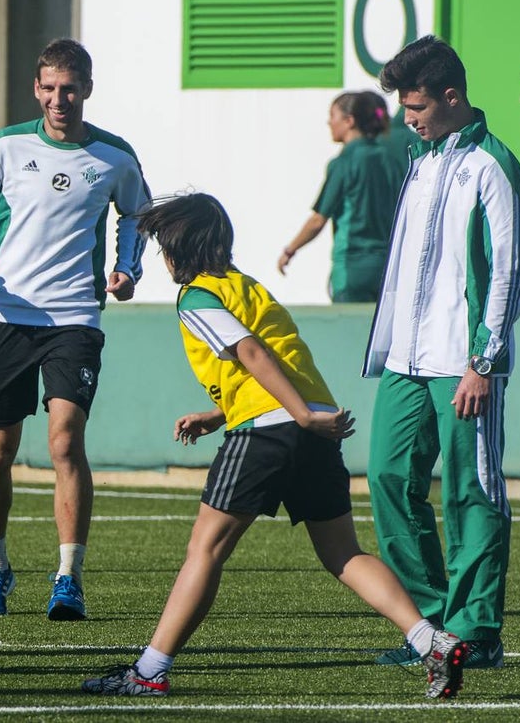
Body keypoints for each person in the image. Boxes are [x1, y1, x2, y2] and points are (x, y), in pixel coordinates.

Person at [81, 192, 468, 701]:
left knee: (205, 550)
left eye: (164, 248)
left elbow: (250, 351)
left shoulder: (197, 296)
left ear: (179, 251)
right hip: (312, 427)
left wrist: (294, 415)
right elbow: (271, 361)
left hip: (272, 430)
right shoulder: (248, 287)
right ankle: (429, 639)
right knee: (343, 553)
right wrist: (224, 414)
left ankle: (149, 672)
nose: (164, 259)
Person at [0, 38, 151, 621]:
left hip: (75, 318)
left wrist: (128, 268)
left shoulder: (114, 156)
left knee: (64, 442)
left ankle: (68, 577)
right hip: (8, 317)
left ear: (87, 89)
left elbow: (138, 214)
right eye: (50, 88)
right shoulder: (7, 146)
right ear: (36, 89)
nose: (59, 99)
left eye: (70, 88)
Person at [364, 36, 520, 671]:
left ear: (452, 96)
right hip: (404, 363)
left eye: (417, 107)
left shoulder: (492, 165)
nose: (408, 119)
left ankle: (476, 631)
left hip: (464, 364)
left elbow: (507, 272)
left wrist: (484, 361)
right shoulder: (422, 160)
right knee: (387, 477)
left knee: (471, 492)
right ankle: (429, 626)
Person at [278, 91, 397, 302]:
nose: (329, 122)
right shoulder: (389, 158)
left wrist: (290, 250)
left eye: (333, 116)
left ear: (349, 121)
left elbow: (318, 220)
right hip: (388, 266)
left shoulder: (344, 162)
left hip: (352, 265)